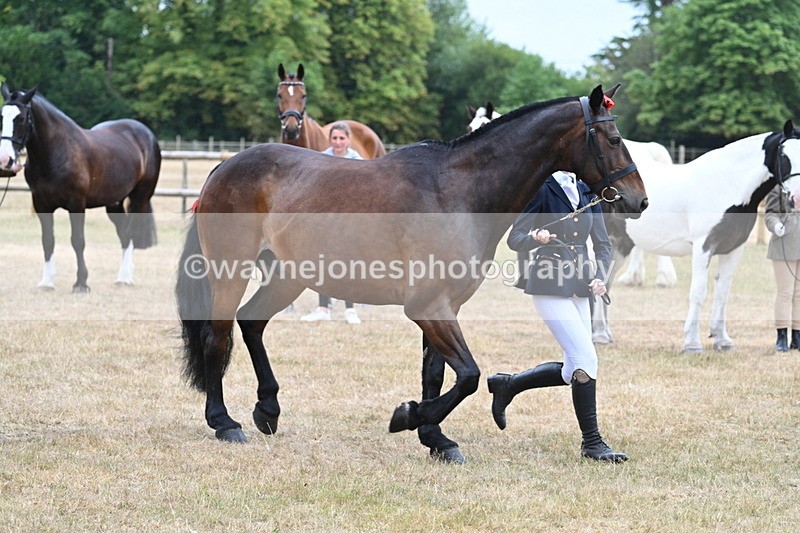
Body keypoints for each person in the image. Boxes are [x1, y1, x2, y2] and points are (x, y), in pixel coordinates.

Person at [487, 171, 628, 462]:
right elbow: (515, 238)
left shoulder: (588, 190)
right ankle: (592, 443)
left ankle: (508, 385)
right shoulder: (542, 188)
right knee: (587, 359)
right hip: (549, 282)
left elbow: (602, 245)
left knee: (570, 370)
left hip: (581, 283)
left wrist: (601, 276)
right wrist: (535, 238)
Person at [301, 122, 363, 325]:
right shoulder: (321, 157)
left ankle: (350, 309)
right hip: (325, 218)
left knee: (348, 262)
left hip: (350, 218)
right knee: (322, 261)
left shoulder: (357, 160)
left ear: (348, 139)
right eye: (334, 138)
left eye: (341, 138)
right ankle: (323, 307)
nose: (338, 142)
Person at [764, 182, 800, 352]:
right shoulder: (778, 186)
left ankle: (797, 336)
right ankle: (781, 336)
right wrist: (777, 226)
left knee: (799, 293)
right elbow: (770, 214)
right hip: (784, 245)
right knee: (785, 292)